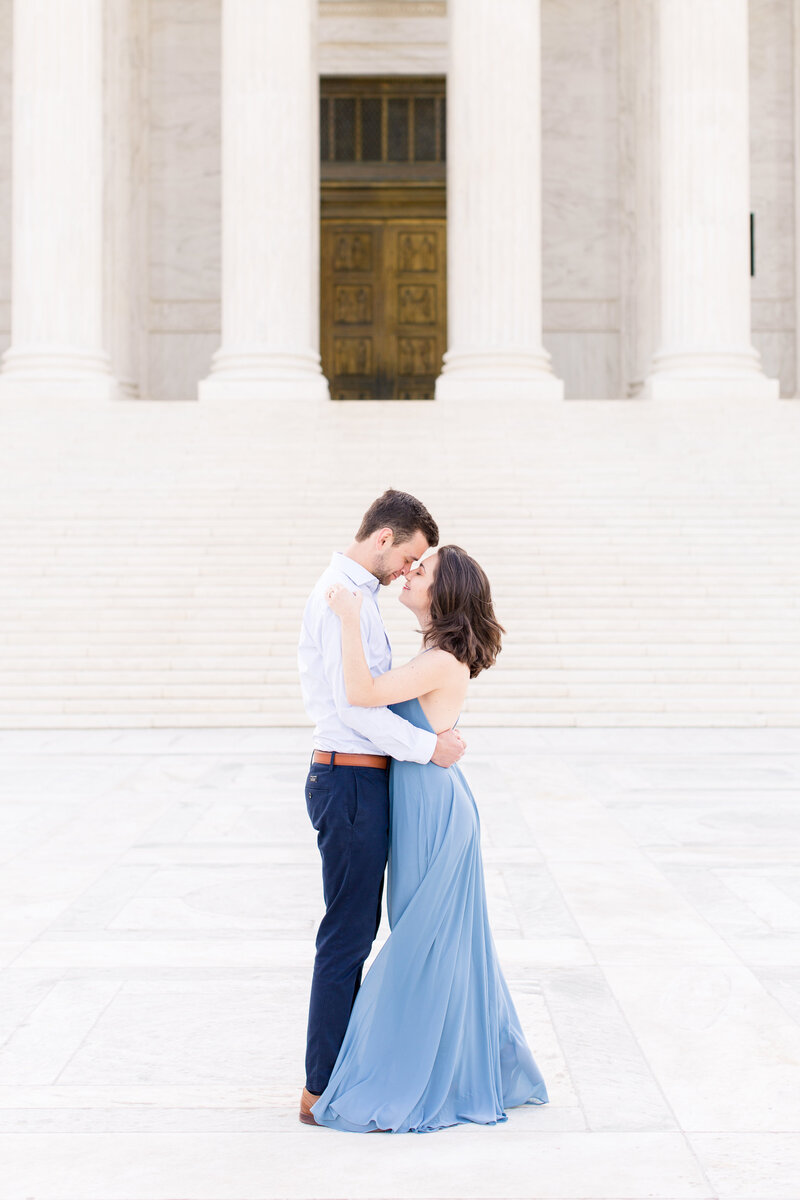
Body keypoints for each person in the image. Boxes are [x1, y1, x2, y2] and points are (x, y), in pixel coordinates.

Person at [309, 544, 549, 1133]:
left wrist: (345, 618)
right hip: (422, 801)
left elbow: (362, 694)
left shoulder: (441, 657)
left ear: (445, 594)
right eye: (415, 564)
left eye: (425, 570)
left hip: (434, 811)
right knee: (433, 939)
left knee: (424, 942)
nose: (412, 572)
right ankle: (450, 1061)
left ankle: (416, 1073)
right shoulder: (433, 652)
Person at [297, 491, 466, 1126]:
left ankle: (341, 1074)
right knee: (348, 935)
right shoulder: (341, 600)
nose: (408, 571)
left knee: (358, 931)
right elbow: (354, 708)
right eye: (412, 557)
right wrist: (429, 747)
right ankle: (321, 1087)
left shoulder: (354, 599)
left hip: (360, 782)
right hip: (348, 782)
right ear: (385, 539)